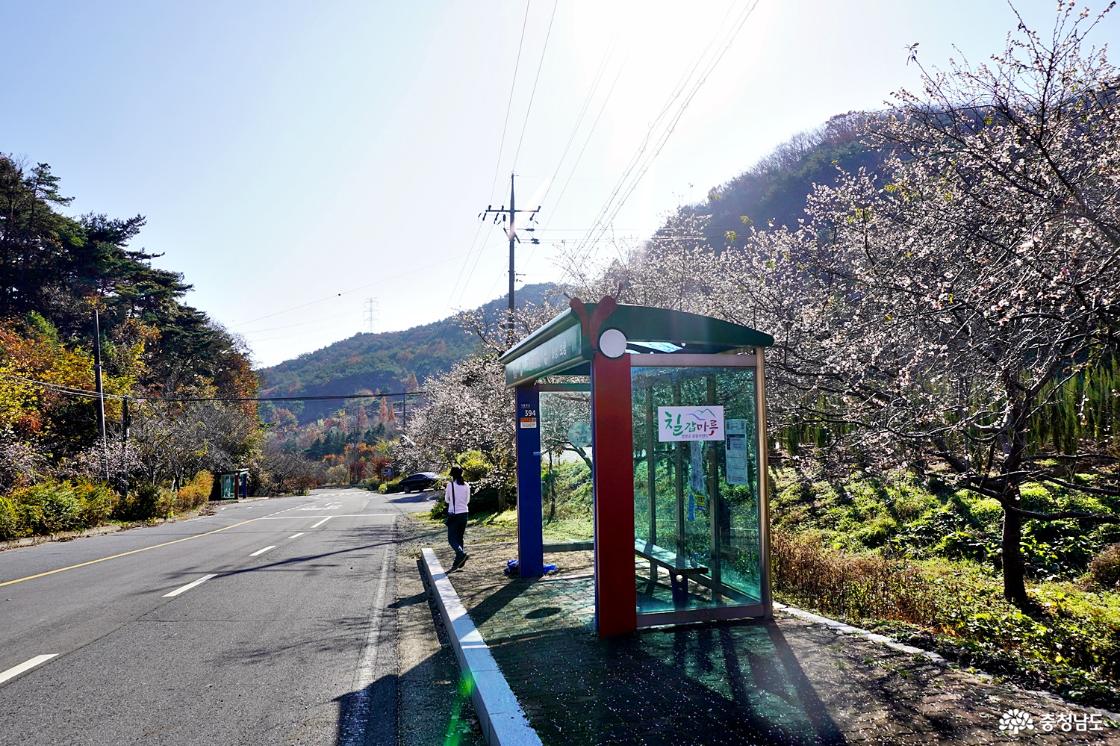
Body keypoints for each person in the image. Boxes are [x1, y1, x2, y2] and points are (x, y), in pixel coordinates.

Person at [445, 466, 470, 570]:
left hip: (454, 514)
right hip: (465, 513)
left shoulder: (450, 485)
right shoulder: (466, 485)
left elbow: (447, 500)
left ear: (453, 475)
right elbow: (467, 500)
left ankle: (461, 553)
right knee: (460, 538)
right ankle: (458, 562)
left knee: (451, 538)